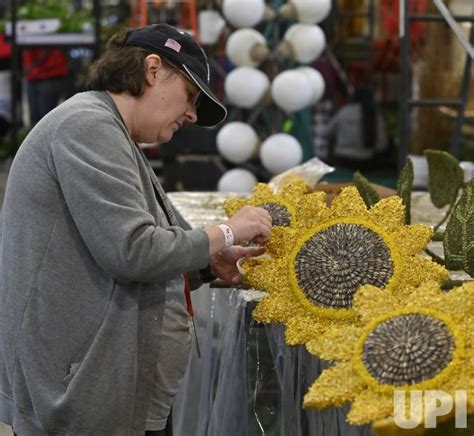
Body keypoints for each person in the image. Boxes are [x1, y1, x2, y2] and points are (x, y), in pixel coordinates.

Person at [0, 23, 272, 436]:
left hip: (107, 395)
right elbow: (134, 250)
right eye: (191, 95)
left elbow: (131, 242)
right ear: (152, 69)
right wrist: (227, 232)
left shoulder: (112, 132)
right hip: (81, 399)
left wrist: (206, 263)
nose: (192, 114)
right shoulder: (86, 127)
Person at [318, 84, 388, 170]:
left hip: (343, 160)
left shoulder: (344, 111)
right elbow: (382, 144)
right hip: (367, 162)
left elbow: (326, 133)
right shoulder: (375, 114)